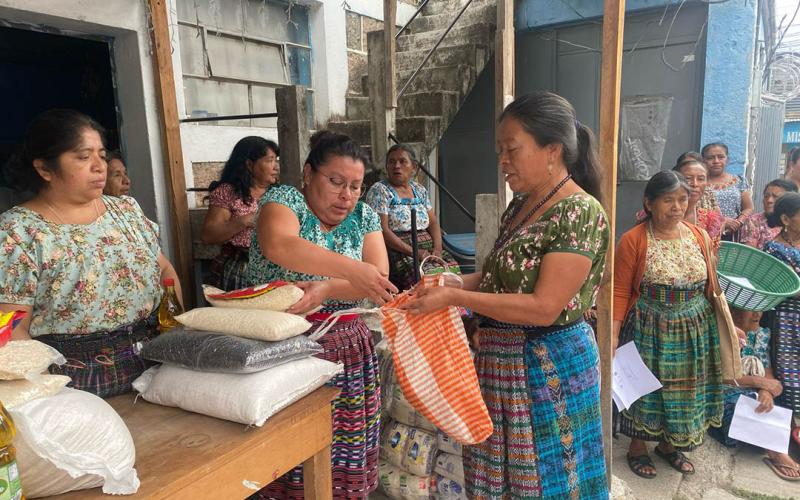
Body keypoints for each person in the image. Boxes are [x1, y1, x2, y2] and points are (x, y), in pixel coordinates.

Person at [403, 91, 609, 499]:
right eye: (499, 150)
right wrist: (452, 282)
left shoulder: (580, 212)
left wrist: (456, 300)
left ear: (552, 150)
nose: (502, 161)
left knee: (550, 480)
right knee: (500, 477)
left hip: (547, 367)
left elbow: (544, 307)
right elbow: (500, 277)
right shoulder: (521, 206)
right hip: (500, 363)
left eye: (511, 150)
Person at [247, 130, 397, 499]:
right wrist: (352, 270)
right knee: (289, 451)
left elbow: (378, 279)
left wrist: (330, 287)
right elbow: (280, 244)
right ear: (309, 174)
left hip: (348, 345)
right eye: (335, 182)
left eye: (356, 186)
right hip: (284, 346)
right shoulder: (284, 200)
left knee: (347, 448)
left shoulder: (363, 216)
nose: (346, 195)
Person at [0, 109, 181, 398]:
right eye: (84, 157)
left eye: (101, 155)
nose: (100, 167)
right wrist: (48, 393)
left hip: (156, 361)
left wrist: (174, 331)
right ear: (45, 169)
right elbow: (14, 326)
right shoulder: (18, 232)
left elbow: (165, 271)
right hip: (73, 380)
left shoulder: (126, 211)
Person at [614, 171, 723, 479]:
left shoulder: (697, 235)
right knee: (647, 387)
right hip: (650, 325)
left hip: (694, 325)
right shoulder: (634, 239)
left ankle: (669, 445)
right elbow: (621, 289)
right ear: (649, 203)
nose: (677, 207)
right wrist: (612, 332)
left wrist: (727, 323)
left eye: (682, 199)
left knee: (684, 389)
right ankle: (637, 446)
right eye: (668, 200)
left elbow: (711, 283)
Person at [708, 308, 800, 481]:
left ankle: (770, 443)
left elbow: (767, 371)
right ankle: (776, 452)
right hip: (721, 393)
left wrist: (766, 391)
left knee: (769, 401)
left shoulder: (761, 335)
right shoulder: (720, 333)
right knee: (740, 404)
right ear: (733, 311)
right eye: (751, 310)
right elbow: (717, 375)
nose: (757, 314)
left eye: (760, 310)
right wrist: (757, 382)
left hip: (751, 392)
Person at [364, 144, 460, 290]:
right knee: (427, 280)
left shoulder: (419, 190)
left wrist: (438, 249)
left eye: (402, 161)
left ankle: (454, 312)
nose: (396, 166)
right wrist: (414, 252)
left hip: (428, 248)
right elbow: (382, 230)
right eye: (391, 162)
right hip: (399, 250)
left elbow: (433, 223)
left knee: (452, 275)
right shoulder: (380, 190)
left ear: (414, 167)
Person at [201, 137, 279, 291]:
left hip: (276, 267)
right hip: (240, 268)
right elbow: (208, 235)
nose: (276, 166)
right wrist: (244, 221)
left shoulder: (280, 193)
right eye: (270, 160)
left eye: (276, 160)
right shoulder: (228, 192)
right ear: (250, 164)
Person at [763, 192, 800, 445]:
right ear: (786, 219)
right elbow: (786, 287)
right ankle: (790, 432)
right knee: (789, 372)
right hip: (786, 320)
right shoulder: (774, 249)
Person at [702, 142, 753, 240]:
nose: (716, 161)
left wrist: (738, 222)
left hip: (734, 234)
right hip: (706, 234)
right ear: (703, 161)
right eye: (710, 158)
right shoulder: (699, 183)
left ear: (727, 160)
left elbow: (748, 207)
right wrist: (722, 221)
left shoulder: (739, 181)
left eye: (721, 157)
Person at [673, 158, 723, 246]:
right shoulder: (658, 214)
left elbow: (712, 254)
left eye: (701, 179)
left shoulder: (711, 220)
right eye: (688, 178)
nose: (695, 184)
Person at [740, 179, 797, 249]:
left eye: (775, 197)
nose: (769, 200)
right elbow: (748, 252)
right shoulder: (754, 221)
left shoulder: (795, 222)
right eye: (766, 196)